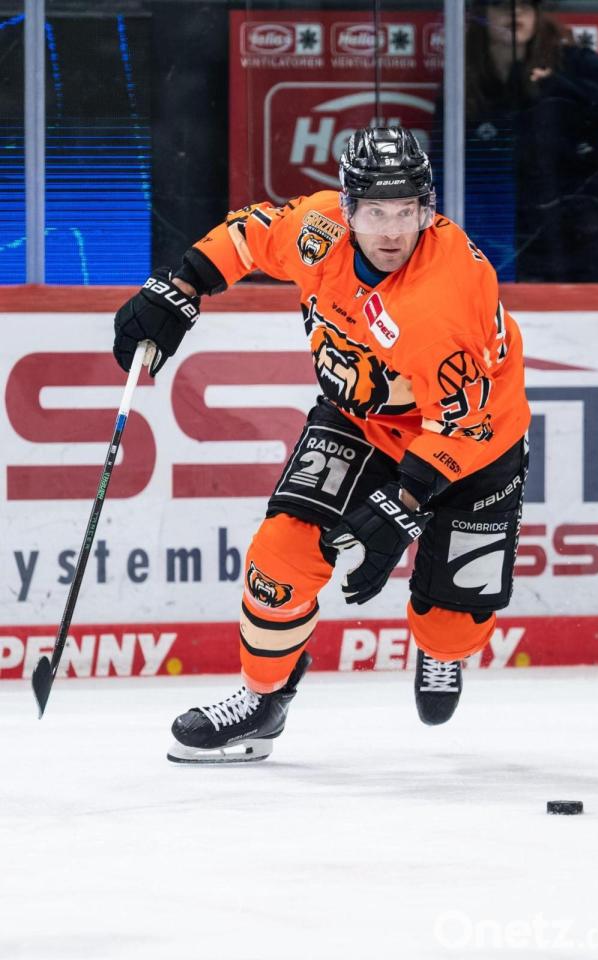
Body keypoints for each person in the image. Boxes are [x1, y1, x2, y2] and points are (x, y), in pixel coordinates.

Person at [112, 127, 531, 764]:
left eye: (406, 212)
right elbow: (251, 234)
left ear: (428, 210)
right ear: (347, 208)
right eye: (375, 213)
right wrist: (180, 286)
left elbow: (466, 423)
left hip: (476, 446)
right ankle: (262, 702)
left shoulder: (442, 299)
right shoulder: (318, 230)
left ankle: (442, 649)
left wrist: (402, 504)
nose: (391, 232)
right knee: (279, 558)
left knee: (450, 628)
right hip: (362, 421)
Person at [465, 0, 598, 282]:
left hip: (597, 227)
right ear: (480, 14)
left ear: (538, 13)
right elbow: (453, 169)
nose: (515, 12)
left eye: (526, 4)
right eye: (501, 4)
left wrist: (564, 87)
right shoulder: (465, 78)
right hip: (518, 234)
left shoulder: (571, 61)